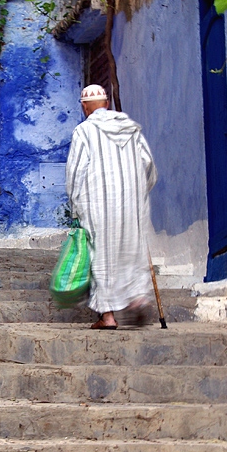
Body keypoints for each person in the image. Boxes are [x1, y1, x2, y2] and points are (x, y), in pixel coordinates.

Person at [65, 84, 157, 329]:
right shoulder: (130, 128)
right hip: (131, 204)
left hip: (98, 204)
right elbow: (147, 163)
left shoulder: (83, 131)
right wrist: (139, 193)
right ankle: (137, 299)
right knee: (132, 250)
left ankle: (107, 317)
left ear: (85, 107)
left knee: (101, 255)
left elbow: (75, 172)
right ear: (106, 104)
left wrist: (75, 206)